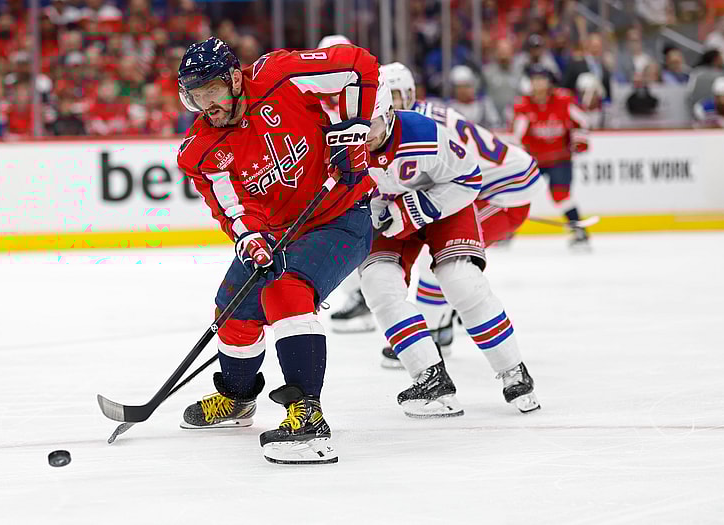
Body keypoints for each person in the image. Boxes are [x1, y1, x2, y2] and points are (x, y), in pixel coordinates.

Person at [175, 37, 379, 464]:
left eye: (211, 91)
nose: (206, 105)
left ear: (234, 77)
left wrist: (352, 129)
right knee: (231, 308)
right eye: (195, 97)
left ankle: (307, 417)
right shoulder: (201, 150)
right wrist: (250, 237)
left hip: (343, 214)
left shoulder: (279, 76)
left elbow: (359, 66)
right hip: (281, 230)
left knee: (284, 290)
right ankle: (237, 398)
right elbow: (232, 206)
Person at [359, 76, 541, 417]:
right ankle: (429, 377)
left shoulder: (421, 131)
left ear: (390, 113)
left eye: (372, 123)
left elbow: (469, 178)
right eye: (355, 124)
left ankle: (512, 371)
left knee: (460, 280)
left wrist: (412, 209)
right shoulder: (333, 143)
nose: (363, 135)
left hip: (442, 204)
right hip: (385, 215)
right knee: (379, 285)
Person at [512, 66, 591, 248]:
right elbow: (518, 134)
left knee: (561, 195)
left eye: (542, 79)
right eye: (534, 79)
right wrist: (518, 154)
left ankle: (579, 231)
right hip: (533, 161)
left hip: (560, 160)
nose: (538, 83)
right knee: (515, 193)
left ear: (549, 82)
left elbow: (582, 121)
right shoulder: (523, 105)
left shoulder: (564, 99)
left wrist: (579, 139)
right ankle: (506, 232)